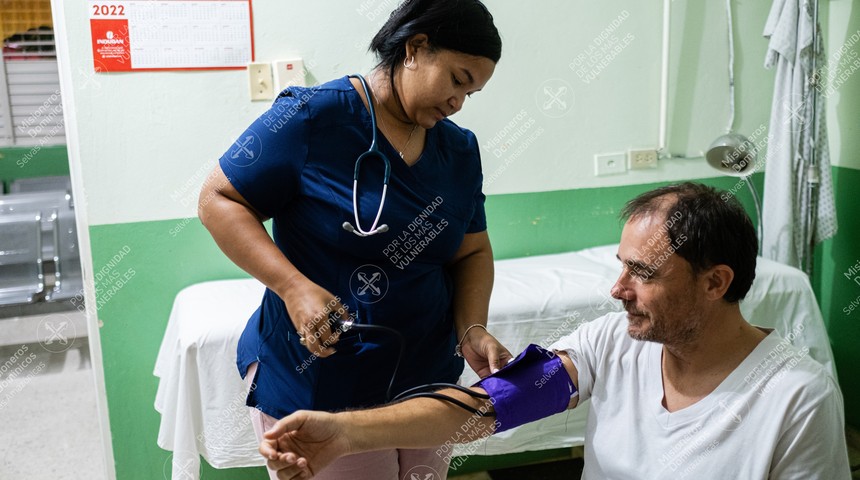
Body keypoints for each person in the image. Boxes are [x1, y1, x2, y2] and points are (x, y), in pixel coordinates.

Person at [259, 182, 852, 480]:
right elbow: (485, 409)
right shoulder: (612, 344)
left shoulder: (795, 396)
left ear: (715, 282)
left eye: (641, 273)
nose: (617, 290)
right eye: (620, 266)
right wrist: (341, 434)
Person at [198, 1, 513, 478]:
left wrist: (472, 327)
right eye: (457, 79)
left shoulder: (458, 149)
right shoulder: (310, 119)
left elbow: (471, 249)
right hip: (322, 378)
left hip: (426, 380)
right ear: (415, 48)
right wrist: (293, 287)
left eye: (472, 92)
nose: (458, 103)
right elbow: (217, 200)